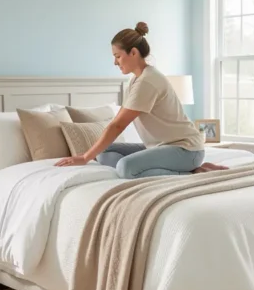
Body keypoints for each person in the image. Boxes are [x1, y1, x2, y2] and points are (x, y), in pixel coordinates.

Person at [55, 22, 228, 178]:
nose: (115, 62)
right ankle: (165, 166)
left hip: (186, 150)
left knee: (125, 168)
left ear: (134, 52)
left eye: (117, 56)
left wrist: (85, 157)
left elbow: (117, 125)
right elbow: (118, 122)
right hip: (160, 147)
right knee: (103, 151)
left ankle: (191, 172)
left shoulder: (147, 81)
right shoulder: (136, 79)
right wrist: (90, 155)